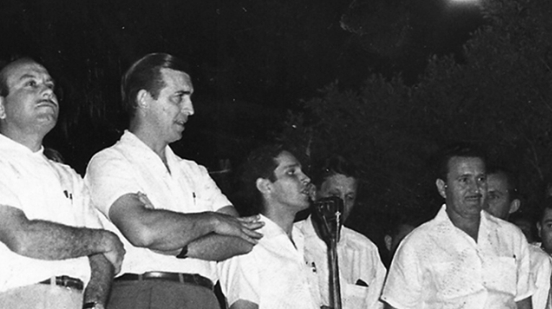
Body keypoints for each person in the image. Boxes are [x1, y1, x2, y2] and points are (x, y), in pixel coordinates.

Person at [0, 57, 124, 309]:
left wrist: (94, 304)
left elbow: (101, 258)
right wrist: (104, 239)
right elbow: (22, 237)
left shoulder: (68, 175)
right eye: (30, 83)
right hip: (9, 301)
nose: (48, 90)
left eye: (50, 85)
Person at [85, 53, 262, 309]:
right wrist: (213, 221)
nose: (190, 109)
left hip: (204, 298)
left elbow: (242, 239)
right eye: (179, 97)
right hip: (145, 294)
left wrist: (178, 247)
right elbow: (143, 230)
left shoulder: (194, 171)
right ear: (144, 99)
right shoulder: (110, 161)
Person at [381, 143, 533, 309]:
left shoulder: (511, 236)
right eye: (464, 180)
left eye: (480, 179)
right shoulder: (418, 244)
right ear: (442, 188)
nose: (475, 189)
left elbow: (523, 303)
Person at [218, 144, 321, 309]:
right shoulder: (246, 242)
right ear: (266, 186)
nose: (306, 179)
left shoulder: (305, 241)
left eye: (302, 171)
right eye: (291, 172)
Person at [295, 157, 386, 309]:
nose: (341, 206)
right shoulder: (291, 241)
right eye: (334, 196)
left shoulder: (365, 250)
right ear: (313, 192)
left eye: (349, 198)